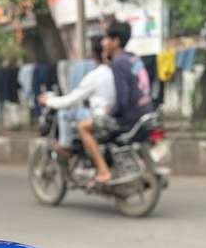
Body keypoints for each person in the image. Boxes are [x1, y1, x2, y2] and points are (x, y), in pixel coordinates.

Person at [38, 36, 116, 177]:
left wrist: (49, 101)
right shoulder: (116, 71)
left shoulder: (95, 76)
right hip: (114, 115)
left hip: (100, 117)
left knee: (66, 113)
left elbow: (70, 100)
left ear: (93, 55)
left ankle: (65, 146)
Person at [101, 20, 153, 182]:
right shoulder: (133, 58)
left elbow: (122, 100)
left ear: (116, 41)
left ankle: (104, 172)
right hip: (147, 112)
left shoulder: (118, 62)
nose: (104, 42)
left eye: (107, 38)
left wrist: (109, 113)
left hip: (132, 116)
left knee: (99, 129)